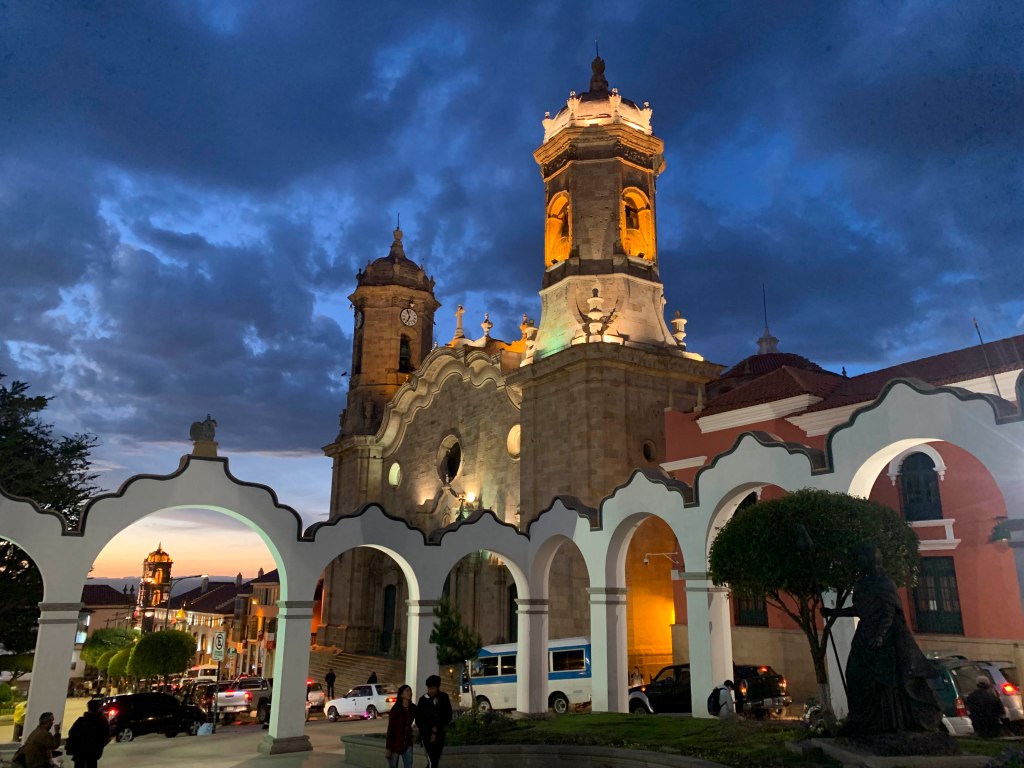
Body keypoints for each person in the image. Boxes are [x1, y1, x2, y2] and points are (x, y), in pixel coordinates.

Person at [822, 544, 942, 734]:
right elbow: (860, 609)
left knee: (884, 682)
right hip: (864, 635)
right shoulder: (862, 584)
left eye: (861, 560)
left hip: (884, 640)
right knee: (854, 674)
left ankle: (888, 723)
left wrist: (880, 635)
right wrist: (834, 612)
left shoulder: (885, 584)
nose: (858, 564)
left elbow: (889, 612)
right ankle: (860, 719)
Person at [416, 674, 453, 768]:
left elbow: (448, 716)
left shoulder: (444, 697)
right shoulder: (423, 700)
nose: (430, 691)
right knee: (431, 761)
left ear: (438, 687)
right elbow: (419, 720)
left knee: (435, 761)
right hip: (427, 736)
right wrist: (430, 732)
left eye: (433, 688)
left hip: (440, 735)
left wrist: (437, 728)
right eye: (429, 688)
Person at [67, 699, 111, 768]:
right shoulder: (102, 721)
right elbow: (106, 736)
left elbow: (71, 733)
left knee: (79, 764)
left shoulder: (81, 721)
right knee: (92, 764)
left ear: (88, 708)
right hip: (94, 752)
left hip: (80, 751)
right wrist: (99, 746)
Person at [384, 684, 417, 768]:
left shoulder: (413, 708)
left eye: (410, 691)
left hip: (407, 743)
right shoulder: (396, 709)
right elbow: (390, 729)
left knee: (408, 765)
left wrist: (416, 726)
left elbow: (420, 719)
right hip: (395, 743)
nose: (410, 693)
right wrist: (388, 748)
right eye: (407, 691)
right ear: (401, 695)